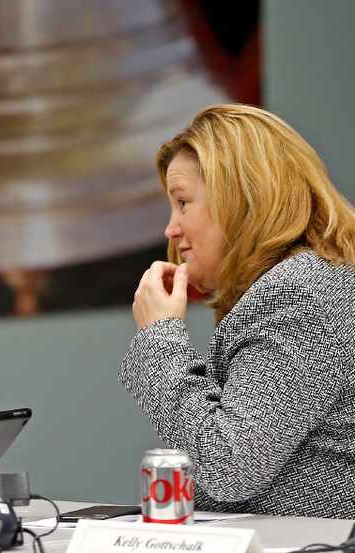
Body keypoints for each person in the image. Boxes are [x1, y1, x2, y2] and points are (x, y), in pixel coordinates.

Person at [120, 104, 355, 518]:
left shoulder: (300, 295)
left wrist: (159, 340)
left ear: (240, 199)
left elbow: (227, 465)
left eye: (183, 203)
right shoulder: (315, 279)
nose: (171, 229)